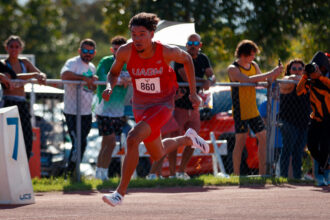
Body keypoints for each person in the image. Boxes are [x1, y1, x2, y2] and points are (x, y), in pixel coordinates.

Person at [101, 12, 209, 207]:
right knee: (158, 153)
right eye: (133, 34)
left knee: (133, 138)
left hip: (163, 104)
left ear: (151, 34)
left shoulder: (166, 51)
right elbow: (113, 73)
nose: (137, 39)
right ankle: (188, 138)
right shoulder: (125, 51)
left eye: (142, 34)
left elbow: (188, 59)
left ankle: (120, 193)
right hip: (140, 106)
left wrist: (193, 93)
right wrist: (109, 86)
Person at [227, 39, 283, 176]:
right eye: (251, 54)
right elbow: (248, 79)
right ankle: (236, 174)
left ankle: (263, 173)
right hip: (240, 111)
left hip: (253, 110)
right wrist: (270, 73)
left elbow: (263, 81)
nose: (253, 57)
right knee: (240, 142)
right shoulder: (232, 68)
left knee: (263, 137)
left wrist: (275, 74)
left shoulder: (254, 65)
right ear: (243, 54)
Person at [168, 33, 215, 179]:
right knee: (174, 139)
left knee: (193, 139)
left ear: (200, 46)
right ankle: (171, 173)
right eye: (190, 44)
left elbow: (212, 75)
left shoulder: (203, 58)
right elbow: (184, 75)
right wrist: (204, 81)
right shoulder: (180, 56)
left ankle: (182, 171)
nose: (192, 47)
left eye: (195, 44)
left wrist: (210, 80)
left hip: (194, 107)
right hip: (179, 104)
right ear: (186, 44)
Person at [1, 35, 47, 160]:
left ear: (21, 48)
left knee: (26, 134)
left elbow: (39, 73)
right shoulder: (3, 64)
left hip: (21, 102)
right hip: (8, 102)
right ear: (6, 48)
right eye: (11, 47)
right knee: (8, 135)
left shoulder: (24, 62)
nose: (14, 50)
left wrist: (41, 76)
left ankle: (25, 160)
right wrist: (33, 75)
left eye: (17, 47)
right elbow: (13, 76)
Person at [94, 36, 131, 180]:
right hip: (104, 108)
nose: (118, 52)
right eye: (116, 49)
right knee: (110, 142)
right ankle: (101, 172)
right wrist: (123, 80)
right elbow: (106, 79)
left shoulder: (129, 63)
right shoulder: (106, 61)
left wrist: (124, 79)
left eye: (121, 49)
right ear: (112, 50)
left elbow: (133, 78)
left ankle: (100, 172)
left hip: (119, 110)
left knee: (108, 143)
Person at [60, 38, 98, 175]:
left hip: (87, 112)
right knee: (78, 143)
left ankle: (74, 172)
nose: (87, 54)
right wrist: (84, 78)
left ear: (94, 53)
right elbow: (64, 75)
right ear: (79, 51)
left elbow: (90, 88)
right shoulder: (73, 63)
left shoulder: (92, 67)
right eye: (85, 50)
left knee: (83, 143)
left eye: (90, 51)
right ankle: (70, 172)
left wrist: (93, 82)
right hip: (72, 111)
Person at [296, 51, 330, 186]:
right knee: (311, 146)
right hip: (316, 118)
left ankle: (322, 175)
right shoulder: (309, 81)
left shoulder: (325, 79)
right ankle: (326, 165)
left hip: (329, 119)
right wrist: (304, 76)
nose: (316, 69)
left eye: (320, 67)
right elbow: (299, 91)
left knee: (326, 147)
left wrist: (320, 77)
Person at [278, 59, 310, 179]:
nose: (297, 71)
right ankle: (283, 176)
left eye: (300, 69)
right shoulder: (287, 81)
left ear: (304, 70)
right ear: (289, 70)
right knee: (287, 149)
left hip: (303, 122)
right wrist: (298, 78)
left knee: (299, 151)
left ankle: (297, 178)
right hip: (287, 121)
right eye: (294, 69)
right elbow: (286, 80)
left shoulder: (307, 82)